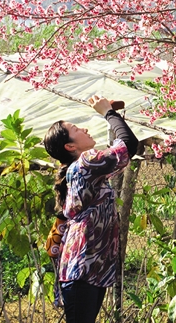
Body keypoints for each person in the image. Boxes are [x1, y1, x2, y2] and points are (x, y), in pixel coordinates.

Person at [43, 95, 138, 323]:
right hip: (81, 268)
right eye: (76, 129)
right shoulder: (85, 164)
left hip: (93, 269)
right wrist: (107, 113)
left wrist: (112, 117)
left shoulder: (86, 171)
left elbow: (122, 150)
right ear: (70, 146)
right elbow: (129, 146)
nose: (84, 128)